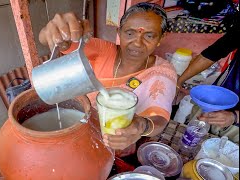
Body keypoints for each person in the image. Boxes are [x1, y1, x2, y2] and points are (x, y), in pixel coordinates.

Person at [39, 3, 177, 155]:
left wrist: (141, 126)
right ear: (119, 32)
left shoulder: (162, 72)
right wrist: (56, 31)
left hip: (118, 146)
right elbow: (49, 39)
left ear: (161, 38)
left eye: (149, 36)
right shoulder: (101, 50)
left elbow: (160, 120)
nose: (137, 43)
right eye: (129, 33)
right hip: (78, 132)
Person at [177, 11, 239, 142]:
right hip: (217, 100)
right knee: (190, 141)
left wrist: (235, 116)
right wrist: (179, 81)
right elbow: (213, 52)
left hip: (236, 126)